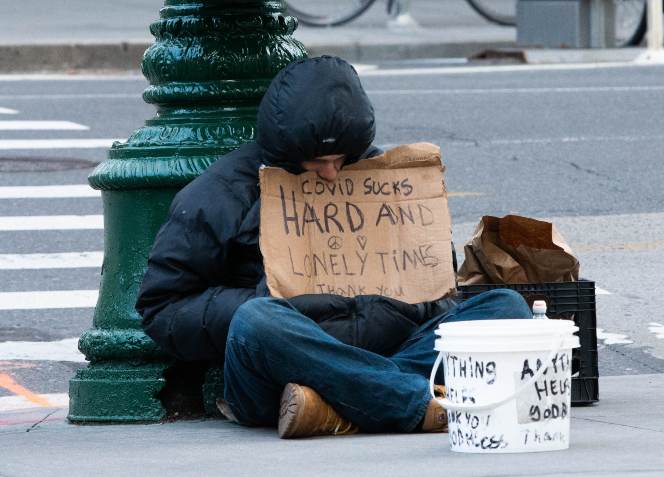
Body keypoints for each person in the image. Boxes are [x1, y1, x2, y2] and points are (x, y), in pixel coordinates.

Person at [136, 56, 531, 438]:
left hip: (393, 347)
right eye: (316, 161)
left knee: (505, 308)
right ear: (286, 150)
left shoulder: (385, 179)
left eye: (341, 158)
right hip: (285, 367)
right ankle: (406, 400)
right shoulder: (221, 193)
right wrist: (269, 297)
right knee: (256, 320)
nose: (330, 173)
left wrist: (414, 298)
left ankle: (329, 406)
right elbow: (163, 308)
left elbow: (437, 281)